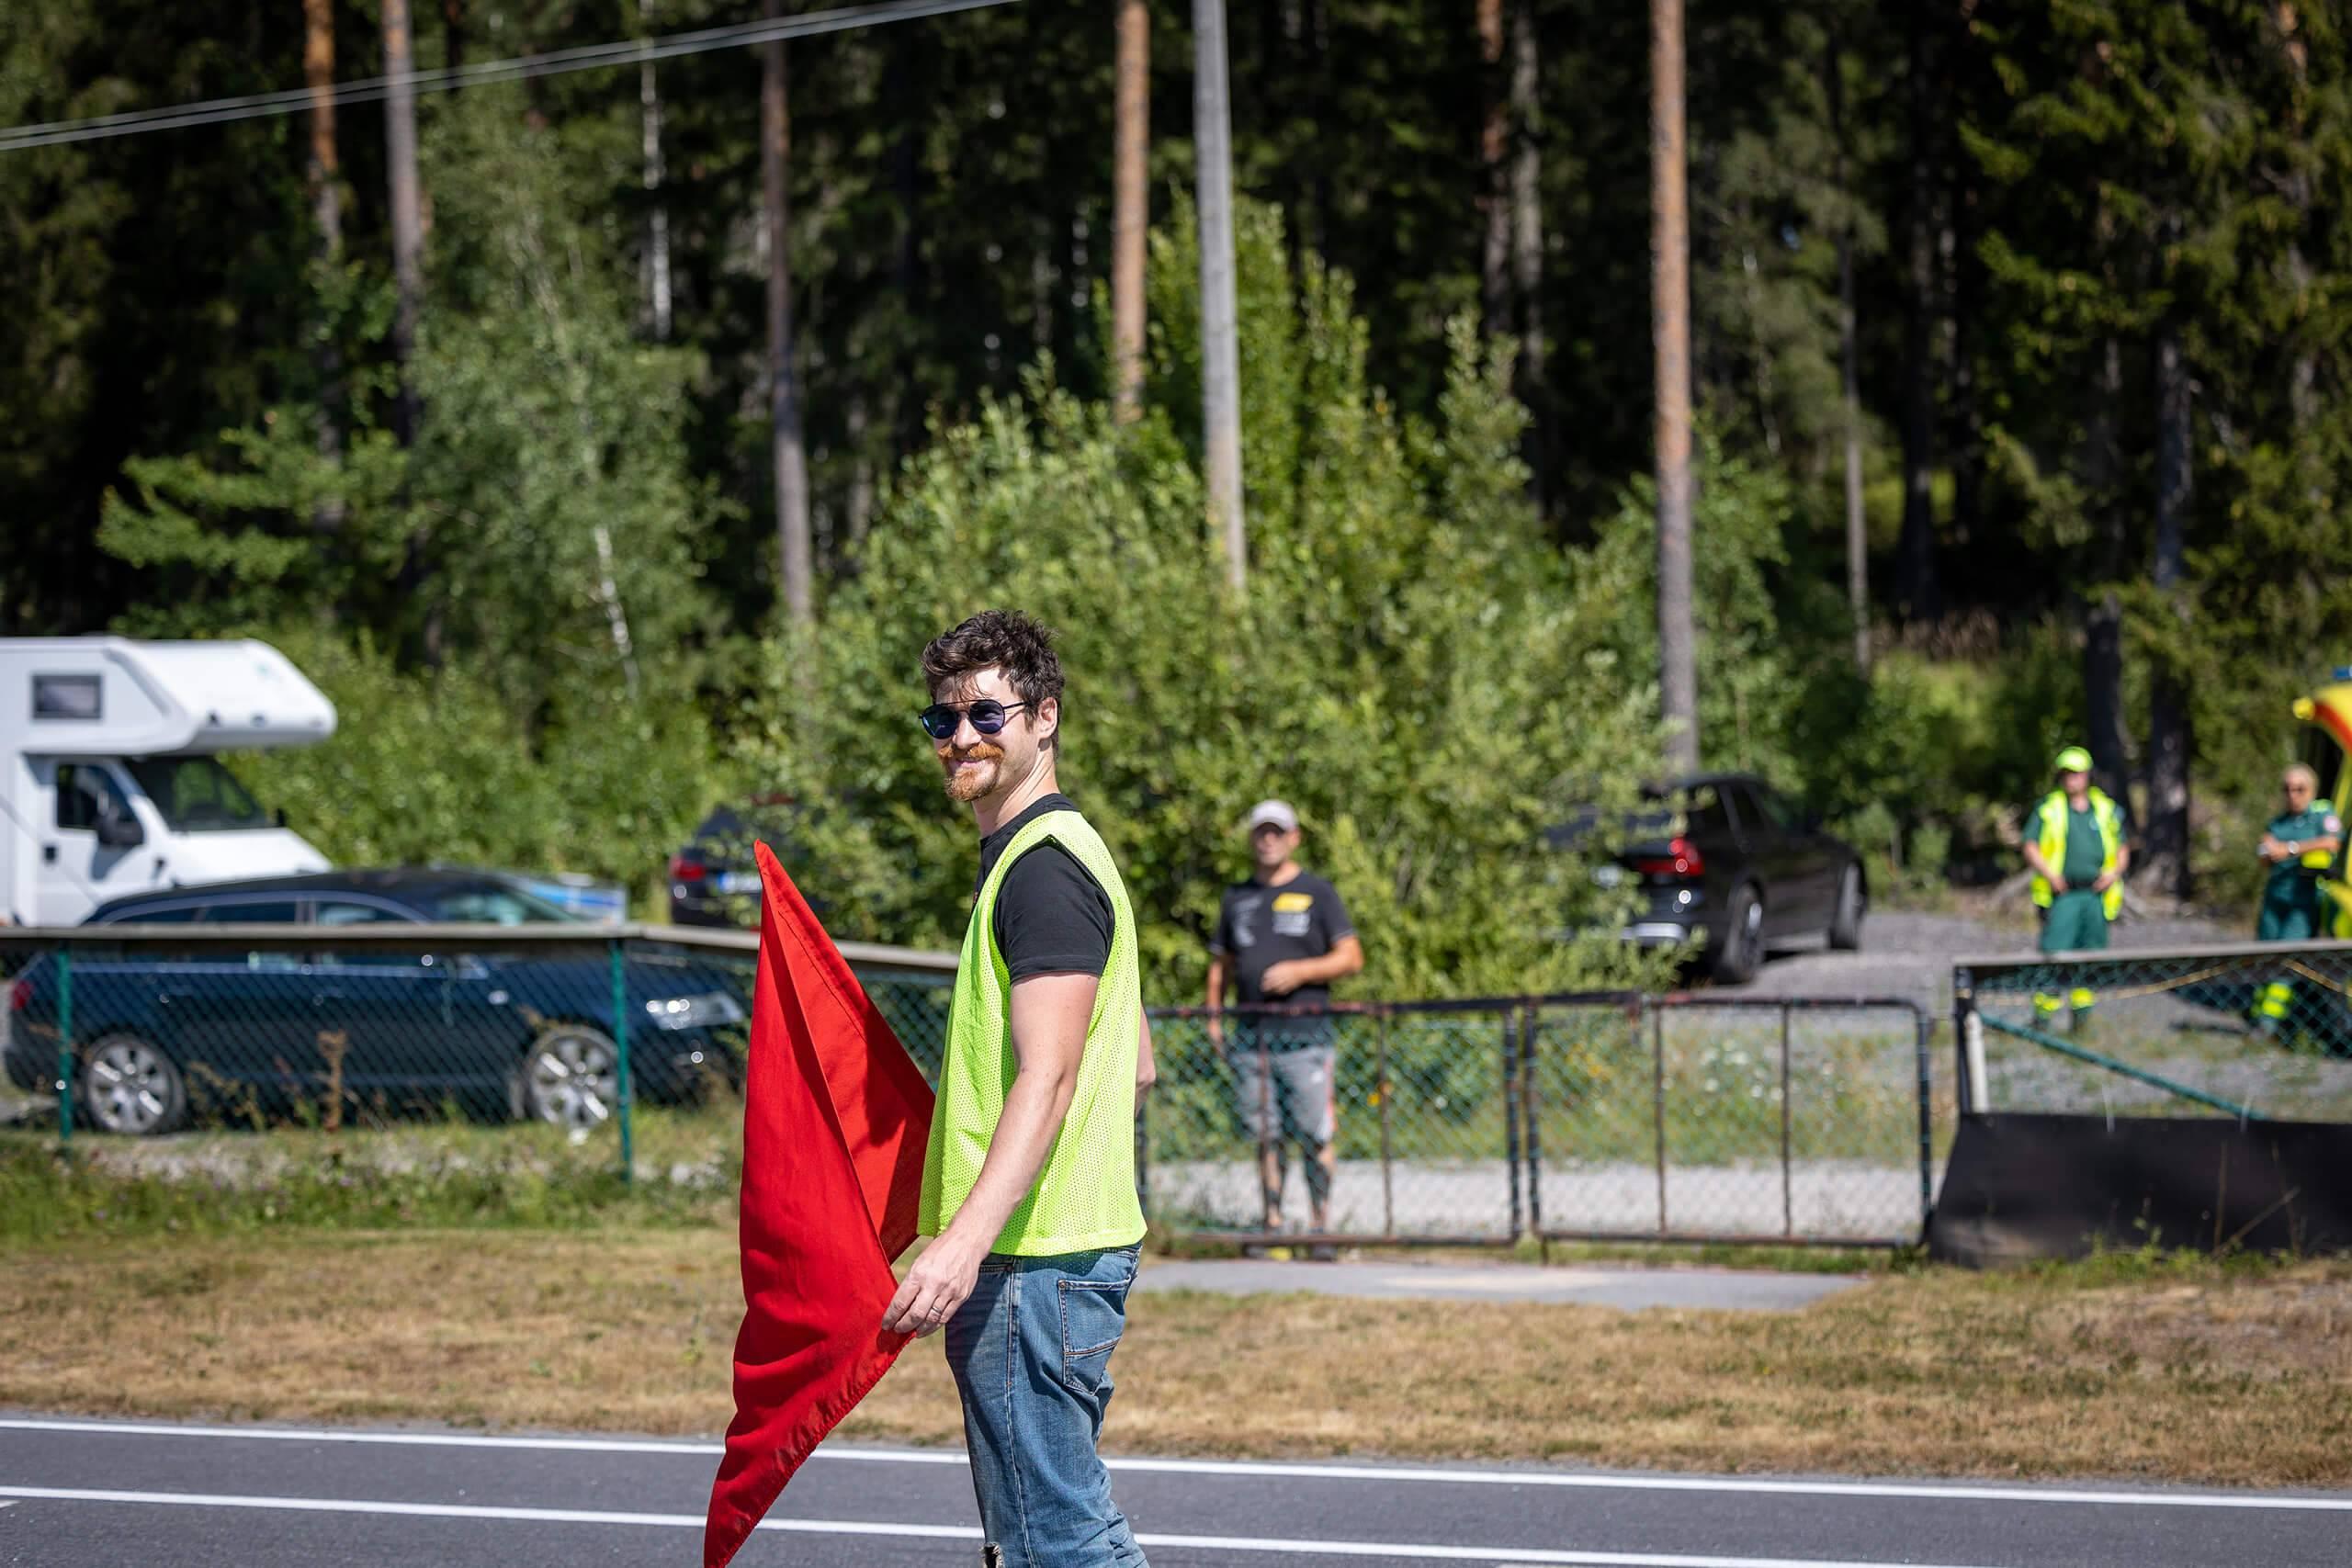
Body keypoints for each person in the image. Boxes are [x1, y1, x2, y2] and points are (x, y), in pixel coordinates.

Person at [881, 609, 1154, 1568]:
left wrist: (963, 1246)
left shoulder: (1041, 870)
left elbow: (1051, 1075)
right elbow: (1137, 1063)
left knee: (1056, 1546)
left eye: (986, 715)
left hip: (1032, 1266)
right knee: (1045, 1538)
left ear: (1043, 719)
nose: (961, 736)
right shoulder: (1054, 854)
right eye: (943, 719)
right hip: (1053, 1256)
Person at [1205, 799, 1363, 1247]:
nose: (1269, 839)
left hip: (1306, 1037)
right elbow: (1221, 965)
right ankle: (1272, 1226)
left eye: (1278, 831)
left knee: (1315, 1134)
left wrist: (1301, 972)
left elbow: (1352, 957)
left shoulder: (1319, 892)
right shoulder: (1237, 898)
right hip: (1253, 1038)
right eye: (1262, 831)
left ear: (1294, 838)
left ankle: (1321, 1226)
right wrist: (1214, 1018)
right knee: (1267, 1137)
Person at [2019, 746, 2131, 1031]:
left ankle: (2081, 1020)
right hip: (2063, 895)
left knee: (2091, 955)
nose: (2072, 779)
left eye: (2077, 773)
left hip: (2096, 895)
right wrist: (2049, 874)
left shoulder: (2106, 809)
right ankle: (2042, 1019)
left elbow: (2123, 847)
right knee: (2055, 953)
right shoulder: (2050, 808)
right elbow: (2030, 845)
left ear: (2087, 775)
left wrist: (2114, 872)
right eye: (2067, 773)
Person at [2251, 763, 2342, 1035]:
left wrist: (2290, 849)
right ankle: (2258, 1010)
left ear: (2311, 790)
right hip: (2275, 896)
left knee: (2287, 955)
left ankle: (2270, 1020)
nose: (2293, 795)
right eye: (2287, 789)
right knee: (2263, 954)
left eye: (2299, 789)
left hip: (2304, 898)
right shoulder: (2278, 822)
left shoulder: (2320, 816)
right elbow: (2265, 856)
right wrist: (2268, 851)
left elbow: (2332, 842)